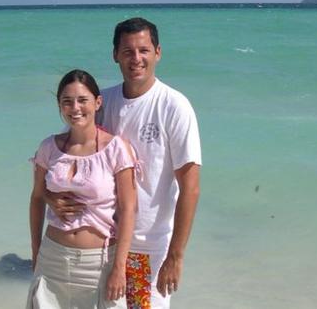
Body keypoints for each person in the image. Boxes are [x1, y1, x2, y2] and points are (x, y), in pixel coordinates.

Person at [46, 18, 201, 309]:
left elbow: (190, 187)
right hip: (102, 244)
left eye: (143, 50)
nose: (136, 59)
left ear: (158, 52)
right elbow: (68, 160)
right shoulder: (103, 102)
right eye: (127, 51)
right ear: (115, 54)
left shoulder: (174, 106)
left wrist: (175, 256)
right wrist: (51, 196)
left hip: (147, 246)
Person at [26, 69, 137, 309]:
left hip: (98, 265)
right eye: (67, 101)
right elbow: (36, 198)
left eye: (82, 100)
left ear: (97, 102)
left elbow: (129, 209)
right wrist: (36, 252)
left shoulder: (116, 148)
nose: (75, 107)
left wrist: (119, 267)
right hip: (52, 259)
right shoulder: (48, 147)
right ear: (59, 106)